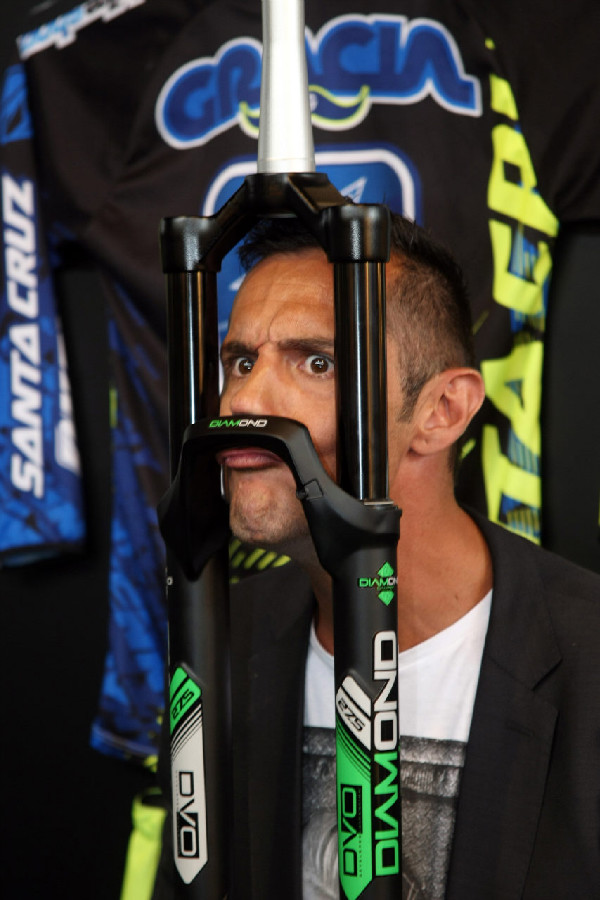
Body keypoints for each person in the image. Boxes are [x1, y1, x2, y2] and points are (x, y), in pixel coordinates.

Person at [152, 213, 600, 899]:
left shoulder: (586, 658)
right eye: (240, 362)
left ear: (443, 410)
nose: (242, 401)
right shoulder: (223, 639)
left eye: (316, 362)